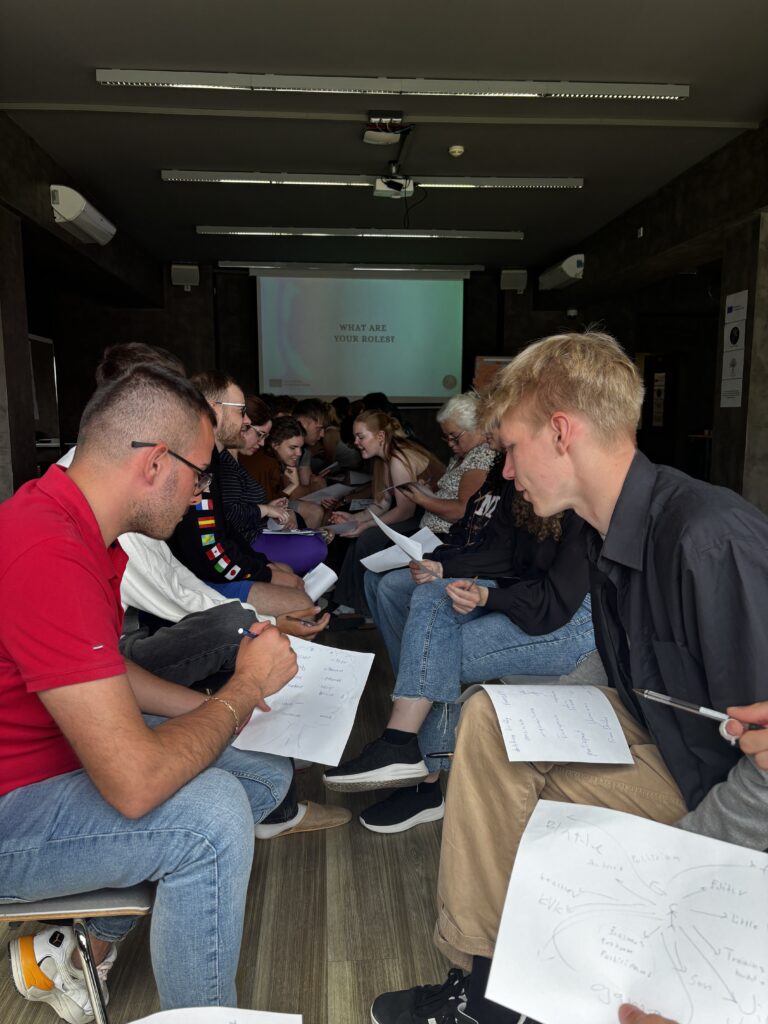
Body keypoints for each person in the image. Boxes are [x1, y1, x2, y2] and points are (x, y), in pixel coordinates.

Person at [371, 330, 768, 1024]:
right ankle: (488, 982)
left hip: (717, 798)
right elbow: (622, 664)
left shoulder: (710, 541)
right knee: (489, 717)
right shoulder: (604, 527)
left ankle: (507, 992)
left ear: (561, 432)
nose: (505, 471)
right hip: (662, 742)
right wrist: (540, 718)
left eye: (510, 448)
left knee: (520, 784)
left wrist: (685, 865)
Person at [0, 365, 301, 1018]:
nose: (200, 494)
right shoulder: (47, 550)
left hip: (53, 757)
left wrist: (213, 710)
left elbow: (106, 669)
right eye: (200, 476)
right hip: (11, 807)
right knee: (212, 820)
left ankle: (85, 942)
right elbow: (135, 784)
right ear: (156, 463)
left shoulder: (77, 526)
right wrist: (243, 687)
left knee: (264, 769)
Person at [325, 474, 595, 834]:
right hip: (525, 591)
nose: (506, 468)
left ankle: (414, 767)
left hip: (571, 620)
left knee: (432, 650)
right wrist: (444, 567)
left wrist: (487, 597)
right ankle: (406, 749)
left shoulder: (583, 502)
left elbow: (554, 601)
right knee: (428, 604)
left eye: (511, 451)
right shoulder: (515, 483)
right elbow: (503, 555)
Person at [169, 372, 312, 609]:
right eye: (240, 411)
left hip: (208, 572)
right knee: (300, 603)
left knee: (286, 573)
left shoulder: (211, 459)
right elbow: (211, 555)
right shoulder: (197, 464)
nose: (246, 421)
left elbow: (225, 532)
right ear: (214, 409)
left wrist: (264, 565)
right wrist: (266, 574)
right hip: (197, 582)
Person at [329, 409, 445, 616]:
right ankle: (350, 601)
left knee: (367, 538)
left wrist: (365, 525)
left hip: (432, 519)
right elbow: (382, 503)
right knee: (357, 536)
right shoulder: (384, 459)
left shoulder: (398, 459)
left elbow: (405, 511)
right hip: (418, 515)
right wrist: (355, 519)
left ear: (380, 436)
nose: (356, 442)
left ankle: (363, 608)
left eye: (361, 437)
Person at [221, 400, 328, 576]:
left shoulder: (236, 462)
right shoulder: (244, 464)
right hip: (248, 541)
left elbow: (241, 506)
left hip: (253, 534)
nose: (262, 443)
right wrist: (266, 509)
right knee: (316, 544)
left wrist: (269, 507)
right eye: (260, 435)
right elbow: (231, 513)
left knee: (316, 539)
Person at [400, 392, 496, 534]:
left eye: (454, 436)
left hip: (447, 537)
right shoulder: (463, 455)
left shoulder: (482, 456)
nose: (450, 443)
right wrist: (429, 493)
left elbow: (463, 512)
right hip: (431, 534)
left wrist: (423, 500)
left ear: (476, 427)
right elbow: (451, 495)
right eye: (447, 437)